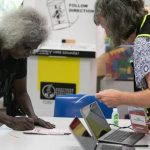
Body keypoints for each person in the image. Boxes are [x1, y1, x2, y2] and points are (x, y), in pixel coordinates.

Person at [0, 7, 55, 130]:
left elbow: (21, 92)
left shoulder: (18, 56)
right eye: (27, 48)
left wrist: (32, 116)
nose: (29, 54)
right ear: (13, 37)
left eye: (33, 49)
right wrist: (10, 121)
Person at [94, 0, 150, 109]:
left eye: (105, 25)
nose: (107, 33)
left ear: (116, 20)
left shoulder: (144, 42)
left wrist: (119, 98)